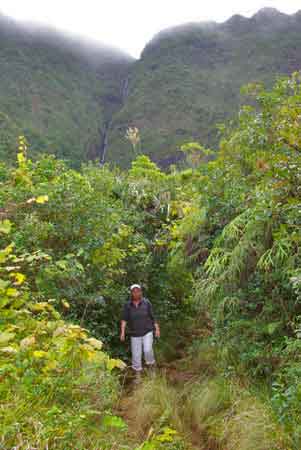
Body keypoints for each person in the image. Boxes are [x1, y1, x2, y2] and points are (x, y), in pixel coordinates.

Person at [120, 284, 160, 381]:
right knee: (136, 355)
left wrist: (157, 329)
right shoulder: (127, 305)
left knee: (147, 350)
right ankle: (138, 376)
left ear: (141, 292)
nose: (136, 293)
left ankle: (151, 369)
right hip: (134, 334)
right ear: (131, 293)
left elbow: (153, 317)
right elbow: (124, 319)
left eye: (138, 291)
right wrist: (122, 332)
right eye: (134, 291)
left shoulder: (146, 303)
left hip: (147, 331)